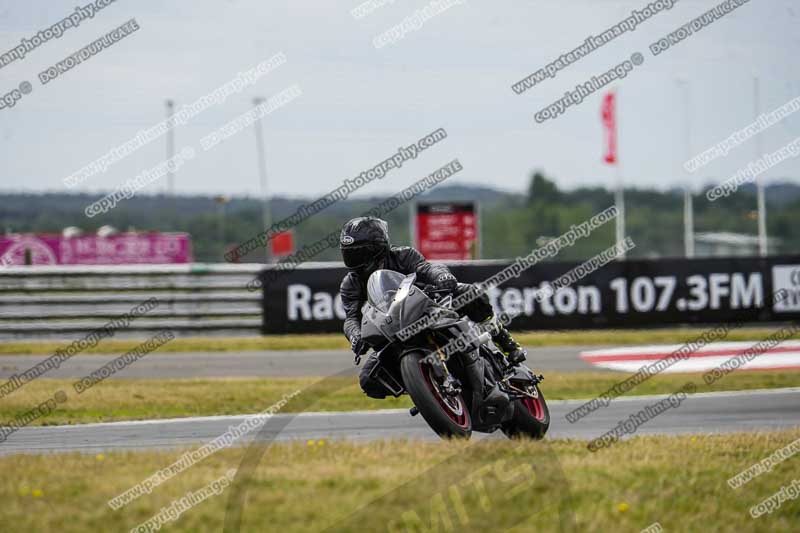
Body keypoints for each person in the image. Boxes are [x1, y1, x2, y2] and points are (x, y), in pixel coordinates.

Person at [338, 216, 527, 399]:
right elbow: (351, 318)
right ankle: (424, 388)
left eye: (359, 252)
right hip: (393, 326)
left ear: (377, 247)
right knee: (368, 379)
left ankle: (504, 340)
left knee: (469, 293)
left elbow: (428, 268)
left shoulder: (403, 255)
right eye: (349, 253)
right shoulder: (350, 283)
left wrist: (442, 277)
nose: (354, 259)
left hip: (429, 306)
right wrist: (355, 335)